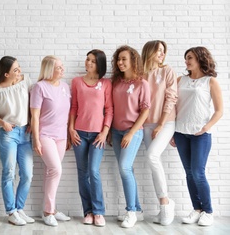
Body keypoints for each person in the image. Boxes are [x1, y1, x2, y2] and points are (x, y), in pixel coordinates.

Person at [171, 47, 223, 226]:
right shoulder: (180, 80)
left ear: (200, 58)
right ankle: (197, 209)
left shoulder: (210, 81)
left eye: (190, 57)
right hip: (180, 133)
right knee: (188, 173)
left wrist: (206, 127)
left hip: (201, 134)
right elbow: (173, 107)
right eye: (186, 58)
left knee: (198, 172)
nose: (186, 61)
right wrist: (171, 132)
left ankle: (208, 211)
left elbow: (219, 110)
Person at [69, 49, 113, 227]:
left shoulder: (106, 83)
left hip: (97, 136)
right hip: (79, 133)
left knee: (93, 171)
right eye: (87, 59)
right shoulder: (77, 82)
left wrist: (104, 132)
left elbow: (109, 109)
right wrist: (70, 129)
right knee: (83, 173)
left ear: (99, 64)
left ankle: (99, 212)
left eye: (93, 61)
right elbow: (73, 107)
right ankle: (87, 211)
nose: (88, 63)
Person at [0, 56, 35, 226]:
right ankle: (11, 211)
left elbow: (34, 104)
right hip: (8, 134)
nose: (19, 72)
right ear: (6, 73)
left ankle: (19, 208)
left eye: (19, 67)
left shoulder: (25, 81)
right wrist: (3, 123)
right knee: (9, 173)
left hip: (25, 134)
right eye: (15, 70)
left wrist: (31, 121)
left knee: (27, 174)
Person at [110, 45, 150, 228]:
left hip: (132, 132)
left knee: (125, 168)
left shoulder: (142, 83)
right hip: (116, 133)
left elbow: (145, 111)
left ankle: (131, 211)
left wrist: (131, 133)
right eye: (118, 59)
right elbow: (110, 109)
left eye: (124, 59)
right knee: (127, 169)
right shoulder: (115, 82)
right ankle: (138, 210)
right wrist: (110, 131)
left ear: (133, 60)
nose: (120, 62)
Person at [30, 55, 72, 227]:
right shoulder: (39, 87)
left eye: (62, 67)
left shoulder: (65, 87)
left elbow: (67, 114)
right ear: (49, 69)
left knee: (52, 172)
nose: (62, 70)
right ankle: (48, 212)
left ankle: (51, 209)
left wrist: (68, 135)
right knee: (56, 169)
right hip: (45, 135)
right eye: (59, 67)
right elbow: (35, 115)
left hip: (61, 136)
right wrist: (36, 140)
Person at [141, 40, 177, 225]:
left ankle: (165, 202)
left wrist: (161, 124)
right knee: (153, 161)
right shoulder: (141, 74)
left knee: (152, 156)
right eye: (158, 51)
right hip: (146, 124)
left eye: (163, 51)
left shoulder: (167, 70)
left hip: (166, 122)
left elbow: (171, 97)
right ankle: (163, 204)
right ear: (149, 52)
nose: (162, 54)